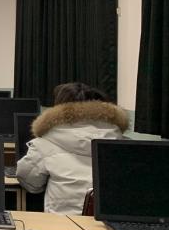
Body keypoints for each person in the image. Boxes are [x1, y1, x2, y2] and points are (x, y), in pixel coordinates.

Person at [16, 82, 127, 214]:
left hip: (63, 222)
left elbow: (30, 182)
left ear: (58, 109)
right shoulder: (123, 144)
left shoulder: (45, 144)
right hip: (110, 222)